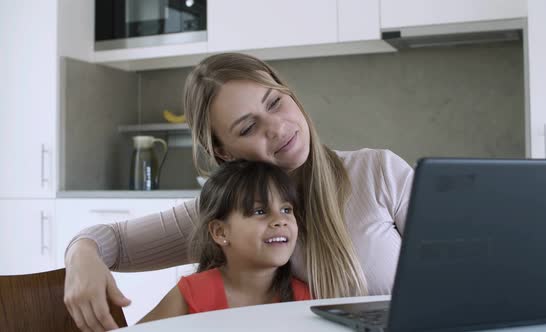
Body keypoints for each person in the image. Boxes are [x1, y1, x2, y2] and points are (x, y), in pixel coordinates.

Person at [64, 52, 414, 332]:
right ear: (225, 153)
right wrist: (81, 256)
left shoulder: (379, 171)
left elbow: (461, 264)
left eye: (275, 102)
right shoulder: (227, 213)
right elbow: (114, 242)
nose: (277, 128)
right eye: (248, 127)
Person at [138, 160, 311, 324]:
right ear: (220, 232)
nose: (280, 220)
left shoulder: (303, 298)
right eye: (259, 211)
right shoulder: (192, 292)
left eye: (286, 209)